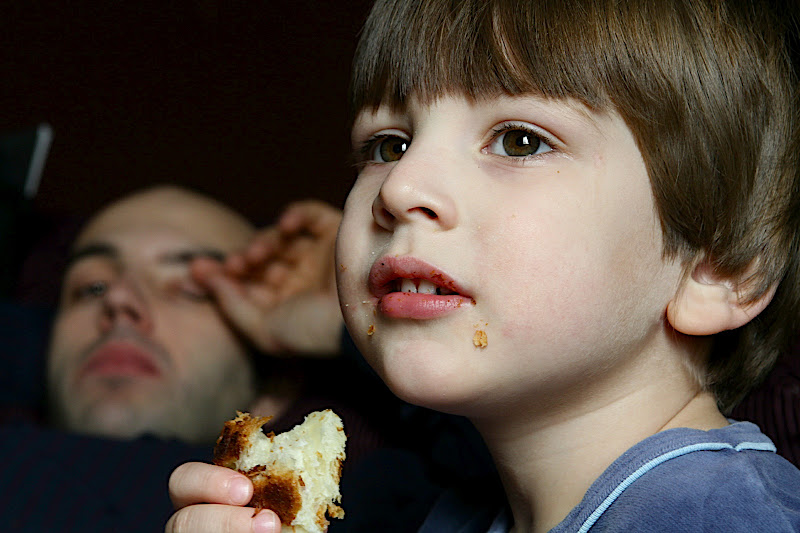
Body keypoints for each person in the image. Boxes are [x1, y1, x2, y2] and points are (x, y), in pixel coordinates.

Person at [166, 0, 800, 532]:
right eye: (389, 145)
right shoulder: (459, 511)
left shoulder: (721, 516)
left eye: (520, 141)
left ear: (722, 269)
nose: (401, 187)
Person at [1, 184, 386, 532]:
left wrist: (353, 321)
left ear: (277, 385)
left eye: (191, 289)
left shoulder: (380, 501)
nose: (118, 299)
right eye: (92, 287)